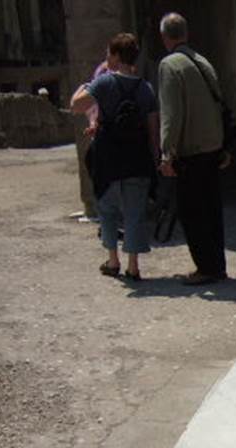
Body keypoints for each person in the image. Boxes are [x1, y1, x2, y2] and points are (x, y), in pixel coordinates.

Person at [70, 33, 159, 281]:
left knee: (107, 209)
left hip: (108, 158)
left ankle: (112, 260)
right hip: (137, 158)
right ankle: (133, 265)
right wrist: (155, 160)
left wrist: (85, 86)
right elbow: (153, 130)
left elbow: (76, 106)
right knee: (135, 212)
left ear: (117, 56)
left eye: (109, 53)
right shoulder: (146, 89)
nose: (106, 58)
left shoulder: (104, 83)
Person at [157, 12, 229, 286]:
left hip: (192, 151)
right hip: (212, 148)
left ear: (165, 37)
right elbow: (219, 106)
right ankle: (216, 264)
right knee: (211, 210)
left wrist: (167, 153)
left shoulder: (169, 65)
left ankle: (206, 267)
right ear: (185, 34)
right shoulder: (203, 62)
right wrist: (223, 146)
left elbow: (171, 115)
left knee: (191, 212)